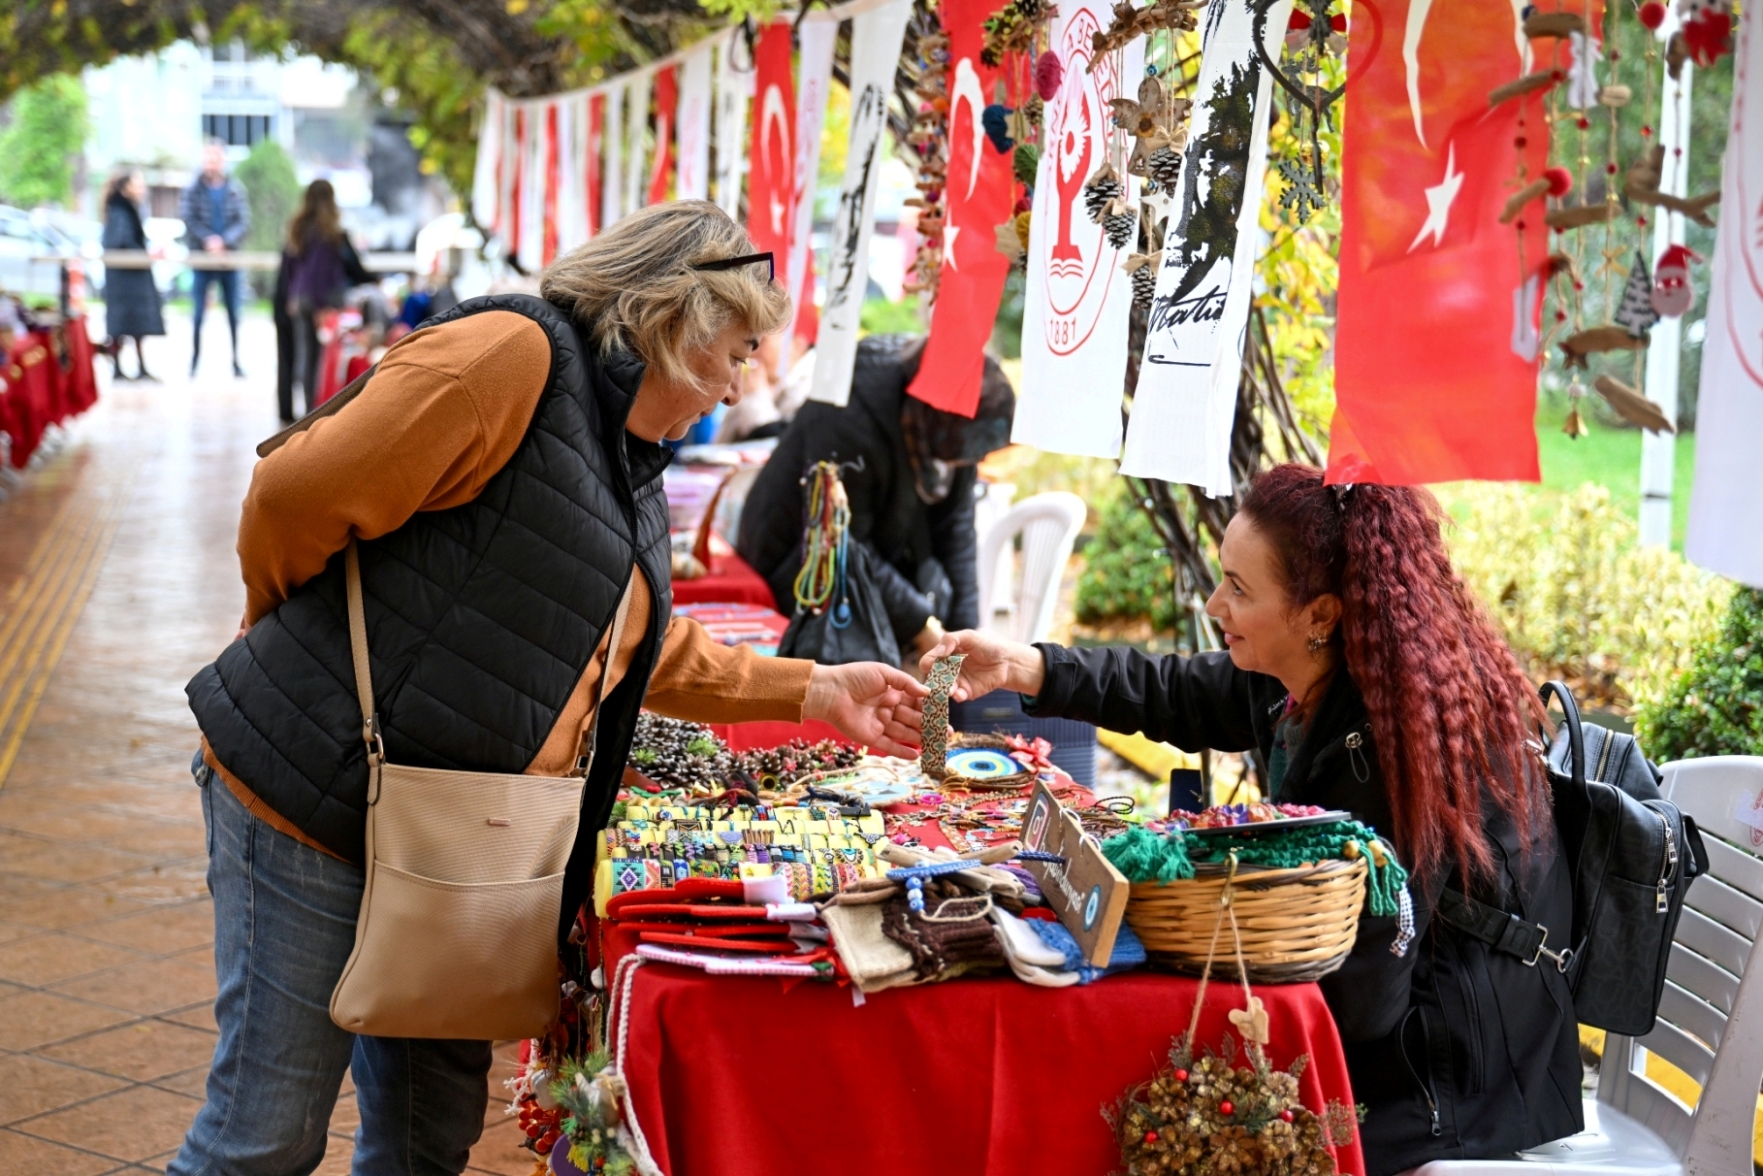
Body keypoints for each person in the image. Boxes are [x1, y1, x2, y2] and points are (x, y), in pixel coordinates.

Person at [174, 201, 925, 1176]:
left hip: (452, 840)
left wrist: (816, 690)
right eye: (734, 350)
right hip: (310, 798)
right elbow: (292, 499)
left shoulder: (626, 449)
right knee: (263, 1136)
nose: (742, 382)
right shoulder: (509, 356)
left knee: (424, 1141)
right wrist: (284, 633)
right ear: (671, 316)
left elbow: (625, 647)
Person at [921, 464, 1582, 1176]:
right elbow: (1173, 690)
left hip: (1442, 1083)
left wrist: (1190, 937)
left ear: (1320, 616)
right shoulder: (1306, 677)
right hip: (1389, 1027)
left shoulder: (1390, 753)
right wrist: (1028, 667)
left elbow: (1359, 1002)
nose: (1213, 604)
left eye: (1238, 589)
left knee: (1155, 1097)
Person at [737, 335, 1015, 667]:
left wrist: (965, 634)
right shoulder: (850, 411)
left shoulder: (950, 413)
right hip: (798, 568)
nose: (977, 458)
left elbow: (955, 530)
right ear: (939, 423)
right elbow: (845, 543)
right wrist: (921, 625)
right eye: (971, 450)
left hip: (872, 572)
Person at [279, 179, 373, 421]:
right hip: (322, 301)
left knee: (305, 356)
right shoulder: (328, 232)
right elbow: (319, 272)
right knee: (323, 359)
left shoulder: (297, 228)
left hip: (300, 299)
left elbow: (290, 268)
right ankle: (317, 412)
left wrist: (293, 297)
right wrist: (322, 306)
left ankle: (309, 411)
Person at [179, 138, 249, 378]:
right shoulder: (192, 189)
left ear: (223, 160)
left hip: (229, 259)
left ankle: (237, 361)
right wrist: (208, 240)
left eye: (216, 157)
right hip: (202, 259)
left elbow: (242, 221)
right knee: (198, 314)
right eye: (208, 157)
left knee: (234, 313)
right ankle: (194, 361)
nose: (212, 162)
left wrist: (224, 242)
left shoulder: (234, 188)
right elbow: (188, 219)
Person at [99, 168, 164, 381]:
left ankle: (137, 367)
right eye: (138, 184)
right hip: (124, 280)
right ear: (126, 188)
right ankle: (118, 367)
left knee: (134, 325)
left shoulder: (126, 209)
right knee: (122, 324)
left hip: (129, 279)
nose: (142, 188)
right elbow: (122, 243)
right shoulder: (120, 211)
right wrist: (145, 254)